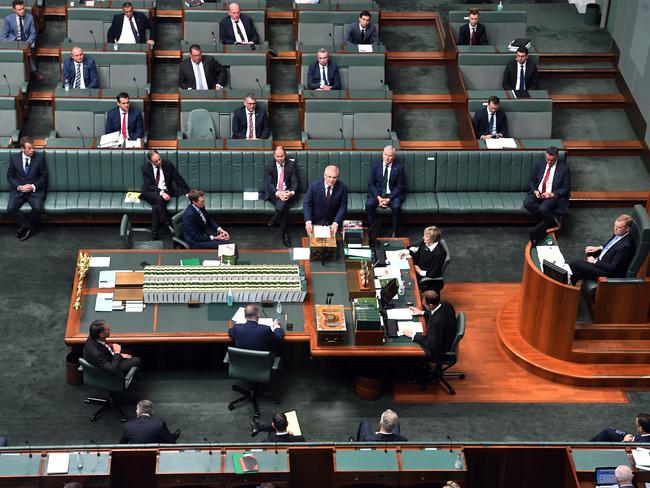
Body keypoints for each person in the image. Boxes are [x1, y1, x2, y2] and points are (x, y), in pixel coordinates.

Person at [569, 213, 636, 284]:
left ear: (627, 229)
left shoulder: (626, 246)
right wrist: (598, 248)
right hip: (602, 261)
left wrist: (594, 261)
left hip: (607, 273)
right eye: (615, 225)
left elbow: (613, 268)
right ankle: (568, 288)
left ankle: (567, 286)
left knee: (574, 264)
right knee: (576, 272)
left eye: (619, 227)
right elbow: (610, 246)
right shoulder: (619, 233)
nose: (615, 229)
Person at [139, 149, 190, 240]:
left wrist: (187, 191)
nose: (159, 162)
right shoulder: (145, 168)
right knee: (159, 199)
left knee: (156, 206)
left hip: (165, 192)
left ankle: (154, 232)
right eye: (156, 161)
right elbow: (149, 185)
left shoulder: (167, 164)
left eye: (159, 159)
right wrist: (161, 193)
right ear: (150, 162)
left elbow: (177, 177)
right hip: (149, 192)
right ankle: (167, 223)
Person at [7, 136, 47, 241]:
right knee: (11, 208)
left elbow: (44, 177)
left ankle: (25, 230)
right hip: (19, 190)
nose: (32, 150)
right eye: (29, 148)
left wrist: (33, 186)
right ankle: (29, 228)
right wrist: (19, 187)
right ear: (22, 149)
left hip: (34, 191)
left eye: (32, 147)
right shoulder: (14, 158)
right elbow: (10, 176)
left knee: (37, 208)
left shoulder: (40, 157)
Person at [523, 146, 570, 230]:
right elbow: (531, 180)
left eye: (552, 160)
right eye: (547, 159)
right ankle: (552, 218)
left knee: (543, 208)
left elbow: (566, 188)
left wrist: (552, 194)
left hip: (552, 195)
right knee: (527, 203)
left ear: (556, 157)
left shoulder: (564, 168)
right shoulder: (539, 164)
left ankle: (549, 223)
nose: (549, 162)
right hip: (539, 192)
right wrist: (535, 190)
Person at [403, 290, 458, 361]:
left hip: (439, 349)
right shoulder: (446, 305)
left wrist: (413, 335)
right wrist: (421, 312)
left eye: (425, 305)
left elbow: (431, 344)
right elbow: (435, 312)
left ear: (431, 305)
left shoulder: (437, 323)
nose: (424, 306)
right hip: (445, 336)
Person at [366, 145, 404, 240]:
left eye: (390, 155)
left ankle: (395, 231)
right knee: (369, 205)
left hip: (392, 195)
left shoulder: (399, 168)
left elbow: (400, 186)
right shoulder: (376, 166)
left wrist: (388, 198)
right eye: (385, 154)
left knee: (396, 207)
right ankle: (375, 228)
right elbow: (371, 184)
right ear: (382, 154)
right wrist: (379, 198)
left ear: (393, 157)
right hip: (377, 194)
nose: (387, 157)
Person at [264, 145, 298, 248]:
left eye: (282, 156)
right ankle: (284, 232)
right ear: (274, 156)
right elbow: (269, 184)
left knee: (284, 202)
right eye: (278, 156)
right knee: (283, 204)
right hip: (274, 193)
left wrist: (291, 193)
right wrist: (279, 193)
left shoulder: (291, 165)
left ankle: (274, 219)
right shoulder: (269, 165)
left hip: (286, 191)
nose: (280, 158)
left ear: (285, 155)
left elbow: (295, 182)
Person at [2, 0, 43, 80]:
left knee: (25, 53)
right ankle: (33, 72)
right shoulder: (8, 19)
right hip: (14, 42)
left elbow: (33, 33)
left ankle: (28, 75)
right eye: (19, 9)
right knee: (23, 54)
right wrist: (13, 42)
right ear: (14, 10)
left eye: (23, 8)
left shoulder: (30, 17)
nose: (22, 11)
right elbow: (3, 37)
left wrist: (28, 42)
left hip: (26, 41)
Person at [303, 165, 348, 237]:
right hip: (315, 221)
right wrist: (308, 221)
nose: (331, 180)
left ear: (337, 177)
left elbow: (343, 207)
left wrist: (336, 223)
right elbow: (307, 204)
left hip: (333, 222)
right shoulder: (313, 186)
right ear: (324, 175)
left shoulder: (343, 188)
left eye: (334, 177)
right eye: (329, 177)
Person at [408, 227, 448, 293]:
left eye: (426, 237)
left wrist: (419, 271)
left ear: (432, 240)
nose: (423, 237)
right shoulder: (426, 243)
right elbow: (416, 247)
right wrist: (405, 252)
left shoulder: (440, 253)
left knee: (406, 284)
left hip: (426, 277)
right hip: (416, 267)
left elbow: (435, 272)